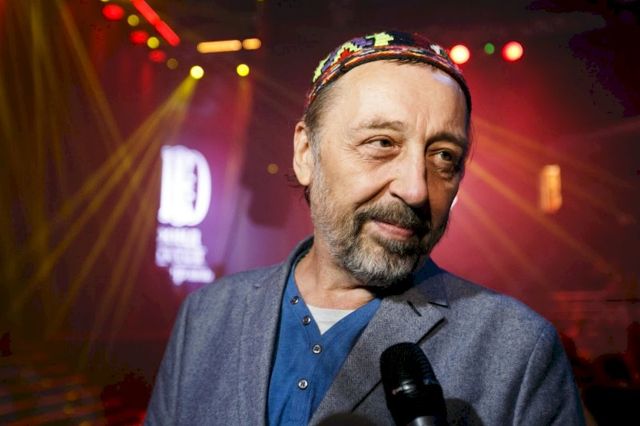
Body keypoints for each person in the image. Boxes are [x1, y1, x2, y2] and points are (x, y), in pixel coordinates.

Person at [145, 31, 585, 425]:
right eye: (382, 143)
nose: (415, 189)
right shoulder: (206, 317)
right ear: (305, 154)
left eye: (444, 156)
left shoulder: (519, 351)